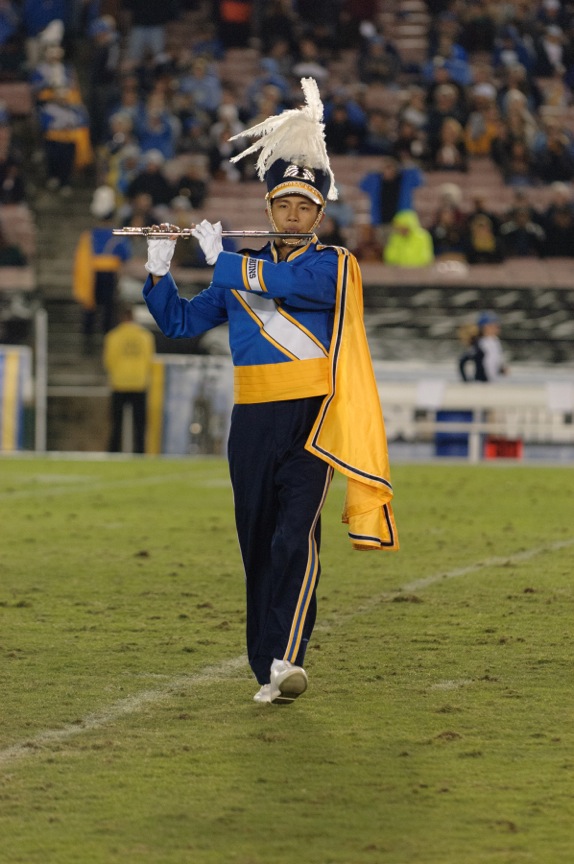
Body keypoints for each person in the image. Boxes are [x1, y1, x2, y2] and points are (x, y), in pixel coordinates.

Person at [141, 78, 399, 706]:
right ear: (270, 209)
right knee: (257, 541)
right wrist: (157, 270)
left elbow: (289, 285)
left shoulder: (334, 264)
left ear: (319, 215)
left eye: (303, 207)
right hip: (251, 420)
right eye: (282, 205)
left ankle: (287, 658)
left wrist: (223, 259)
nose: (292, 214)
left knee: (294, 537)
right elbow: (179, 323)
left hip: (312, 419)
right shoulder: (238, 271)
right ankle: (267, 666)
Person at [73, 185, 132, 350]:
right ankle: (106, 342)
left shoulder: (90, 235)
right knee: (108, 310)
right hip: (109, 275)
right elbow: (125, 257)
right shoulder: (118, 235)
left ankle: (88, 343)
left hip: (93, 274)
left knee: (90, 310)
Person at [103, 306, 155, 453]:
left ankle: (113, 452)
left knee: (116, 423)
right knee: (140, 425)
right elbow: (149, 359)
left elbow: (109, 360)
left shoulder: (113, 336)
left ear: (121, 318)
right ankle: (140, 452)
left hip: (119, 383)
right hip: (139, 383)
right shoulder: (145, 336)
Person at [459, 311, 507, 382]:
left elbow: (493, 362)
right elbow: (463, 361)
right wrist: (466, 380)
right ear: (485, 327)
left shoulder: (495, 341)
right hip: (481, 384)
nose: (497, 328)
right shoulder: (480, 343)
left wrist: (500, 370)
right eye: (493, 325)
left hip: (493, 383)